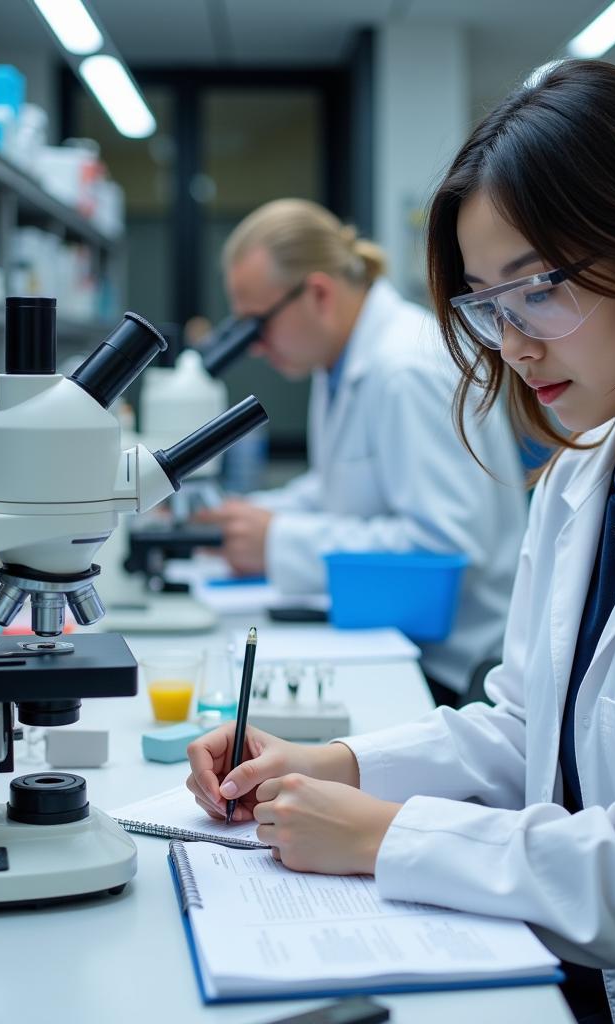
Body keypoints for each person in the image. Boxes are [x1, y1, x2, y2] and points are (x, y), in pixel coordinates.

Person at [186, 61, 615, 1024]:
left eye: (537, 291)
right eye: (487, 305)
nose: (511, 344)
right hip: (564, 968)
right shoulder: (586, 472)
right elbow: (527, 729)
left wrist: (385, 836)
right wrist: (335, 765)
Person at [199, 199, 528, 704]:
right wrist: (251, 517)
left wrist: (281, 542)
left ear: (318, 294)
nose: (256, 348)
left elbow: (445, 546)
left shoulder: (406, 369)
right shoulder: (339, 366)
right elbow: (343, 487)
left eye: (256, 326)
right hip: (398, 638)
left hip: (456, 670)